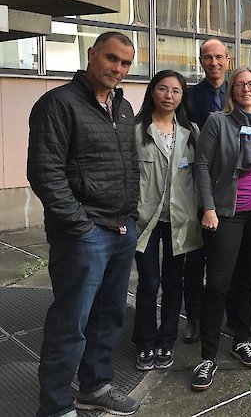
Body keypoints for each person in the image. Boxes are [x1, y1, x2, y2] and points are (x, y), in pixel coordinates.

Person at [27, 32, 141, 416]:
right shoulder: (58, 104)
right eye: (112, 59)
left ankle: (94, 387)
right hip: (84, 235)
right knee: (70, 323)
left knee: (109, 316)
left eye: (126, 64)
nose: (118, 69)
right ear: (91, 55)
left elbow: (130, 165)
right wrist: (81, 226)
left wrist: (131, 214)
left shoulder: (122, 107)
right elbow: (46, 174)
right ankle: (56, 405)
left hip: (121, 229)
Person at [191, 67, 251, 391]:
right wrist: (208, 207)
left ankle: (241, 339)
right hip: (226, 215)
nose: (247, 88)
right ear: (232, 91)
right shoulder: (219, 122)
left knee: (247, 281)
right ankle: (207, 355)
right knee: (218, 284)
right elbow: (201, 165)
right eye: (240, 84)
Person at [133, 70, 202, 372]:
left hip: (180, 218)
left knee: (175, 283)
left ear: (182, 97)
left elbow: (200, 176)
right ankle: (145, 342)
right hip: (145, 219)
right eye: (163, 89)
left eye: (176, 91)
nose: (169, 96)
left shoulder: (191, 133)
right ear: (152, 92)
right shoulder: (135, 131)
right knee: (149, 282)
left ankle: (166, 340)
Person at [183, 38, 231, 343]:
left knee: (227, 259)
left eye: (218, 57)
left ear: (228, 59)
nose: (213, 63)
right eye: (207, 58)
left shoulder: (238, 92)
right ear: (201, 62)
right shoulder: (189, 97)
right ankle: (194, 318)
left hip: (230, 187)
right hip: (196, 187)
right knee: (195, 256)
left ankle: (229, 316)